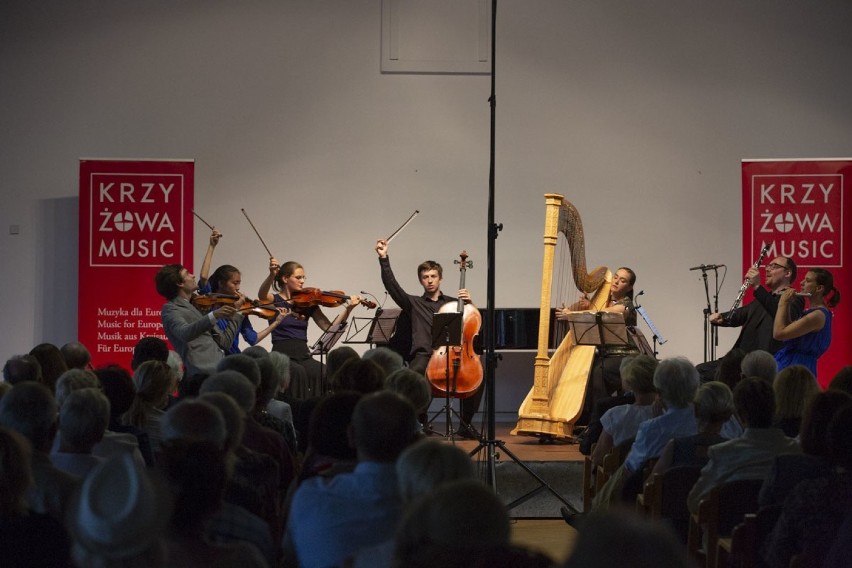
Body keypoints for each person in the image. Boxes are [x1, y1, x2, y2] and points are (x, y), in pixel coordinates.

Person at [283, 391, 420, 568]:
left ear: (351, 435)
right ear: (414, 440)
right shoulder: (429, 503)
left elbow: (290, 554)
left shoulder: (310, 495)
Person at [375, 238, 482, 437]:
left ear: (440, 278)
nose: (430, 280)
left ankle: (465, 425)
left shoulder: (454, 302)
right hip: (424, 355)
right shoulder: (414, 303)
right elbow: (392, 286)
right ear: (421, 280)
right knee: (414, 375)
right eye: (425, 277)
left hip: (453, 353)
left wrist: (470, 302)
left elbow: (471, 325)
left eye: (433, 276)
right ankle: (421, 422)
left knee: (478, 378)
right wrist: (383, 258)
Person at [687, 377, 800, 514]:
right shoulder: (797, 452)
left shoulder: (723, 453)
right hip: (780, 533)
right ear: (775, 409)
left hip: (730, 533)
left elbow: (695, 503)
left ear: (740, 415)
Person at [258, 257, 365, 399]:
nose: (302, 281)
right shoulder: (275, 300)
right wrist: (272, 274)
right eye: (298, 277)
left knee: (323, 372)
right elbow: (262, 295)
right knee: (298, 372)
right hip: (282, 354)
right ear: (285, 279)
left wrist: (348, 309)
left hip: (303, 354)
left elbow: (328, 328)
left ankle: (315, 412)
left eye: (303, 278)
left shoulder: (308, 303)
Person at [556, 267, 643, 423]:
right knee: (583, 372)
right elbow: (595, 312)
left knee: (598, 372)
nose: (616, 281)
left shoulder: (626, 305)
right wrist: (584, 306)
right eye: (615, 277)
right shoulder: (602, 301)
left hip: (626, 356)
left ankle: (598, 423)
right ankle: (583, 420)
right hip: (607, 355)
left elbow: (603, 314)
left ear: (629, 287)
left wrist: (571, 314)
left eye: (622, 280)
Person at [700, 256, 804, 380]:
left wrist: (757, 287)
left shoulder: (795, 298)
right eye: (768, 266)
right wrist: (722, 317)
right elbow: (741, 313)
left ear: (788, 273)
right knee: (700, 371)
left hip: (762, 362)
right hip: (740, 359)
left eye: (774, 266)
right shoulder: (762, 299)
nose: (767, 269)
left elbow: (782, 315)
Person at [197, 228, 288, 354]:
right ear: (221, 283)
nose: (238, 288)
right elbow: (203, 277)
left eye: (239, 283)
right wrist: (212, 246)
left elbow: (253, 339)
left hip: (234, 357)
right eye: (235, 283)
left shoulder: (242, 309)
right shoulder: (210, 300)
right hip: (213, 356)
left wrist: (276, 323)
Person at [156, 263, 242, 379]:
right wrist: (214, 315)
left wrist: (236, 312)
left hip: (219, 370)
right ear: (179, 283)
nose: (193, 276)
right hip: (201, 374)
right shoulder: (170, 309)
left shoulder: (197, 306)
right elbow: (184, 333)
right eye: (187, 273)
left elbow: (224, 342)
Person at [773, 267, 841, 378]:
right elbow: (789, 333)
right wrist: (787, 305)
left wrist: (782, 303)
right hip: (792, 363)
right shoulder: (811, 312)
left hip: (798, 369)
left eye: (808, 280)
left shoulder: (818, 315)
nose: (801, 283)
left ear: (819, 288)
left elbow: (778, 333)